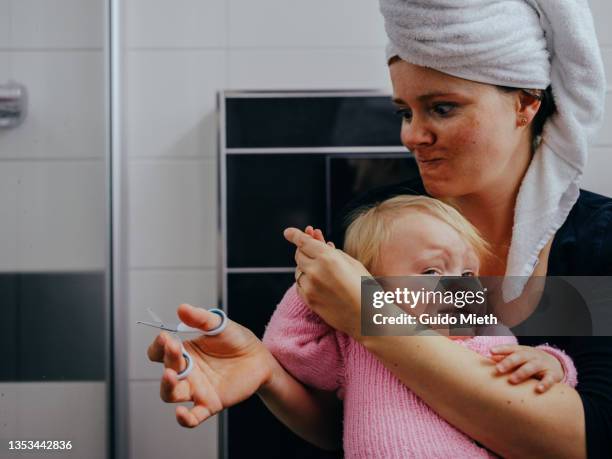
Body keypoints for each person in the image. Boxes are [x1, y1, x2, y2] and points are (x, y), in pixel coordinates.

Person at [148, 0, 612, 457]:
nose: (412, 135)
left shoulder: (597, 241)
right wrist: (267, 374)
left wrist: (374, 321)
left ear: (526, 104)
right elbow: (355, 415)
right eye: (404, 112)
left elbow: (581, 440)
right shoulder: (379, 222)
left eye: (443, 108)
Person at [262, 195, 578, 458]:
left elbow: (534, 379)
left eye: (469, 274)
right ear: (372, 288)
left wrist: (553, 362)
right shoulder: (355, 347)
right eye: (430, 271)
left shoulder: (481, 340)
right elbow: (287, 348)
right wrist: (315, 281)